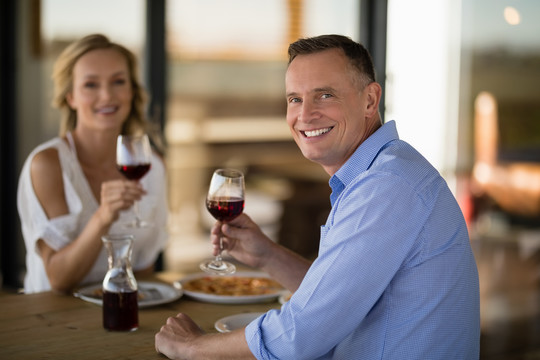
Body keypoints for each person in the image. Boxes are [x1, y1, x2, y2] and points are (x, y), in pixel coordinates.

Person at [155, 34, 480, 359]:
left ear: (370, 100)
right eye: (294, 99)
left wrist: (192, 348)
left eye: (325, 95)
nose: (305, 114)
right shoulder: (384, 172)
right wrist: (267, 255)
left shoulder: (386, 186)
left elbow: (303, 333)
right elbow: (335, 297)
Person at [17, 34, 168, 294]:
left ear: (132, 91)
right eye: (90, 84)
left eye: (118, 81)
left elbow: (144, 271)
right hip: (50, 323)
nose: (107, 95)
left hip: (121, 316)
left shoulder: (152, 166)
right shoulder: (48, 165)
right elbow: (58, 280)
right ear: (71, 97)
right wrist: (103, 217)